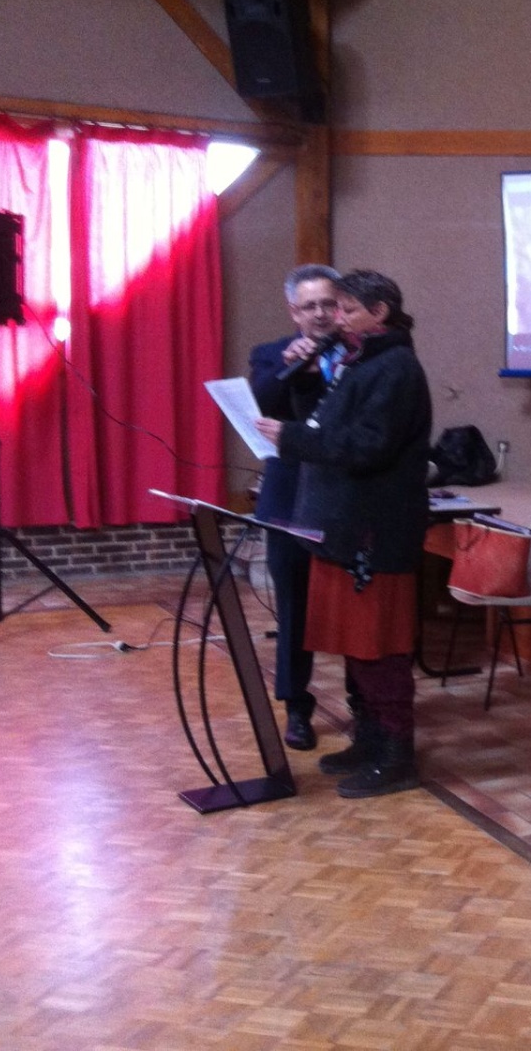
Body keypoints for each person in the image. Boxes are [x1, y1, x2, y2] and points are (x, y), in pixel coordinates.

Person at [255, 269, 433, 800]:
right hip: (343, 526)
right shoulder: (361, 361)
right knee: (359, 649)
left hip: (374, 533)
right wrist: (303, 391)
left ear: (379, 313)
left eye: (349, 310)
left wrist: (294, 440)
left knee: (380, 651)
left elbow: (368, 445)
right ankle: (372, 739)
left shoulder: (396, 367)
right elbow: (329, 426)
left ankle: (398, 755)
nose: (338, 319)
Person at [247, 263, 343, 751]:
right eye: (311, 306)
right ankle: (297, 707)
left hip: (346, 501)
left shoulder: (364, 353)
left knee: (353, 608)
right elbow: (259, 404)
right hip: (289, 501)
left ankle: (366, 705)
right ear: (294, 311)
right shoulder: (270, 356)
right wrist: (291, 367)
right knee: (294, 610)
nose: (322, 314)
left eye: (329, 303)